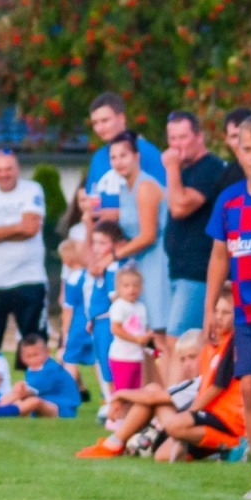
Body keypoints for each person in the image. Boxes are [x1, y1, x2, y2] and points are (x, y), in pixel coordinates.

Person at [79, 297, 242, 459]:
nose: (187, 364)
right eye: (183, 359)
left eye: (192, 357)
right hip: (194, 422)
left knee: (158, 401)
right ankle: (131, 441)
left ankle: (114, 443)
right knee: (162, 456)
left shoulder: (216, 362)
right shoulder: (204, 369)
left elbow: (156, 395)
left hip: (206, 421)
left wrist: (119, 395)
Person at [204, 112, 251, 498]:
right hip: (246, 314)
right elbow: (218, 258)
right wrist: (209, 309)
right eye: (250, 149)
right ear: (237, 151)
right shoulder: (229, 200)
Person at [0, 149, 49, 402]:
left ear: (17, 169)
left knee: (34, 340)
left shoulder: (32, 189)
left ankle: (36, 393)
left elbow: (31, 228)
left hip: (30, 277)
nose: (4, 174)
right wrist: (16, 227)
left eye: (8, 168)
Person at [87, 131, 171, 365]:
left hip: (157, 266)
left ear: (136, 156)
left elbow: (147, 235)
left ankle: (170, 396)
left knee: (159, 337)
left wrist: (111, 256)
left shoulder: (145, 187)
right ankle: (151, 394)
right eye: (113, 157)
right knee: (145, 339)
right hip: (140, 267)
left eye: (123, 155)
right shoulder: (125, 189)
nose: (118, 162)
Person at [162, 111, 230, 338]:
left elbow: (179, 207)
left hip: (197, 270)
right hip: (176, 268)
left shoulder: (210, 168)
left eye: (183, 137)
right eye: (172, 139)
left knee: (180, 337)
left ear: (199, 136)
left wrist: (171, 167)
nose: (176, 145)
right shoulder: (185, 171)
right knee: (169, 342)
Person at [84, 93, 165, 193]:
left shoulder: (146, 152)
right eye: (95, 123)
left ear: (121, 118)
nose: (99, 128)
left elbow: (163, 197)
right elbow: (91, 197)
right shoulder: (98, 157)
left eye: (105, 120)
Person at [84, 222, 124, 415]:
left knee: (110, 363)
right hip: (99, 322)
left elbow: (114, 297)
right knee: (102, 361)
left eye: (102, 242)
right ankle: (110, 402)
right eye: (95, 242)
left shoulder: (113, 268)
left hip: (107, 322)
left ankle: (115, 403)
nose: (97, 248)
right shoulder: (104, 268)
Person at [0, 332, 82, 417]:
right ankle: (7, 411)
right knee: (20, 388)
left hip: (62, 409)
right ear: (22, 358)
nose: (33, 359)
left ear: (47, 352)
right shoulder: (32, 369)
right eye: (29, 356)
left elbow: (22, 394)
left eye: (36, 355)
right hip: (48, 402)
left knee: (34, 402)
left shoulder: (50, 369)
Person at [106, 265, 152, 394]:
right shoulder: (119, 306)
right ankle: (114, 413)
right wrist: (136, 339)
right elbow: (116, 329)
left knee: (135, 393)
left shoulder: (141, 307)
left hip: (137, 358)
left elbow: (144, 331)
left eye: (135, 286)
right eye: (126, 286)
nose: (131, 290)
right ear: (118, 288)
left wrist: (155, 351)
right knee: (122, 392)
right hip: (122, 358)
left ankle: (129, 414)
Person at [57, 238, 94, 399]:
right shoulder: (91, 275)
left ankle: (70, 394)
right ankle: (107, 393)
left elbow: (68, 308)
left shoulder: (72, 278)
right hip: (94, 323)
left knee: (69, 359)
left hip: (77, 325)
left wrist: (65, 332)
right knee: (98, 359)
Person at [217, 107, 251, 194]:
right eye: (234, 136)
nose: (240, 141)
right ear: (227, 140)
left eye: (244, 134)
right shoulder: (225, 178)